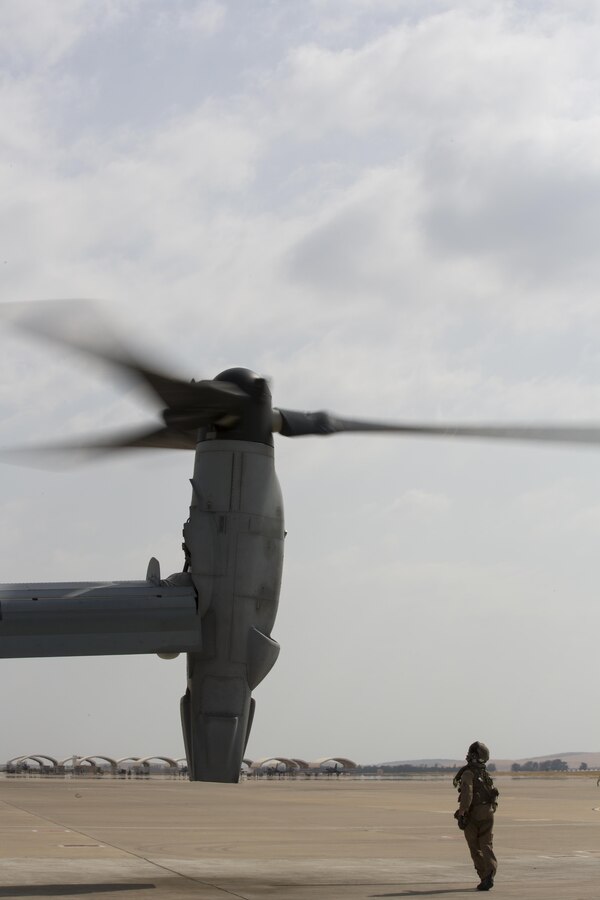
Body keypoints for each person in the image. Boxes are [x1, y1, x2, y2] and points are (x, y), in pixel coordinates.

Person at [453, 741, 499, 892]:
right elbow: (494, 794)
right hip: (489, 812)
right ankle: (490, 871)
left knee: (475, 847)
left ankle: (485, 876)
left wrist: (462, 813)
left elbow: (467, 794)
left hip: (475, 814)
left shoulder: (468, 773)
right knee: (486, 844)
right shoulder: (485, 774)